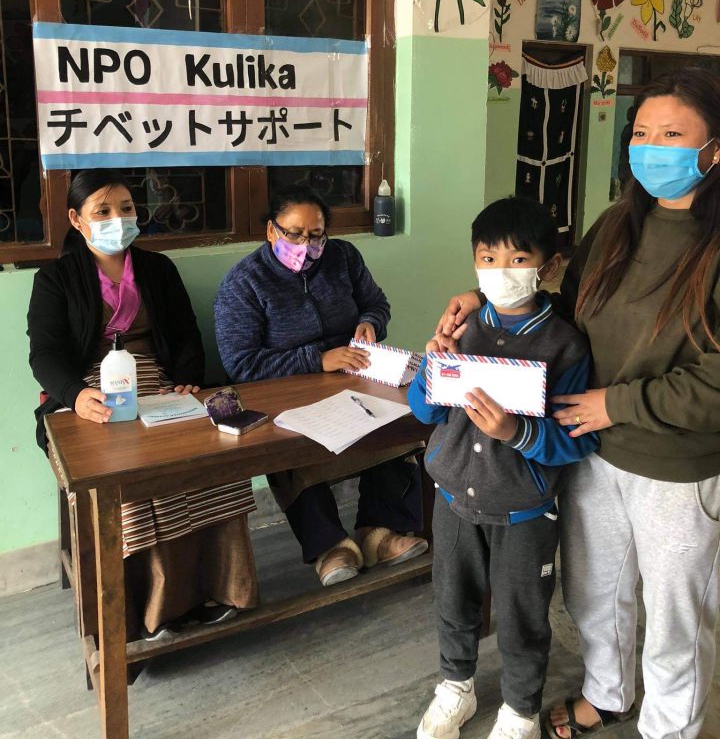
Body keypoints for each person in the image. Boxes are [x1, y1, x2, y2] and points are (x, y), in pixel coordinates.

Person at [436, 68, 720, 739]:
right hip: (588, 447)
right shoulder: (619, 224)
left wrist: (615, 404)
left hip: (675, 465)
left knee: (676, 620)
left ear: (714, 149)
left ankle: (669, 729)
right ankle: (607, 695)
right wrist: (488, 299)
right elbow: (571, 308)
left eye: (672, 135)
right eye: (641, 133)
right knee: (595, 594)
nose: (651, 148)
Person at [28, 170, 258, 640]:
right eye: (103, 211)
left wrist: (188, 380)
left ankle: (220, 589)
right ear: (75, 219)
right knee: (129, 471)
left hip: (162, 385)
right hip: (92, 393)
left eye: (126, 208)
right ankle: (152, 612)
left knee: (211, 456)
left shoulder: (158, 269)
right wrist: (76, 396)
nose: (118, 218)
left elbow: (187, 334)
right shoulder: (54, 278)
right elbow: (44, 353)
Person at [409, 196, 596, 739]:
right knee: (453, 601)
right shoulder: (463, 327)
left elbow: (578, 440)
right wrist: (434, 366)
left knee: (521, 616)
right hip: (452, 501)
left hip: (523, 511)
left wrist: (516, 432)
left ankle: (520, 710)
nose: (500, 272)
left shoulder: (565, 346)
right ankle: (456, 687)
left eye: (517, 260)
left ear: (548, 266)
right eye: (488, 259)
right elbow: (426, 412)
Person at [214, 183, 427, 587]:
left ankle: (380, 532)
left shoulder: (343, 257)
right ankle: (330, 546)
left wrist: (370, 323)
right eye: (294, 233)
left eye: (315, 235)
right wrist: (318, 359)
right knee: (290, 445)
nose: (305, 245)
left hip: (352, 377)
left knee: (397, 420)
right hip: (284, 389)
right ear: (271, 230)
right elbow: (241, 363)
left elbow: (376, 303)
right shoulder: (244, 282)